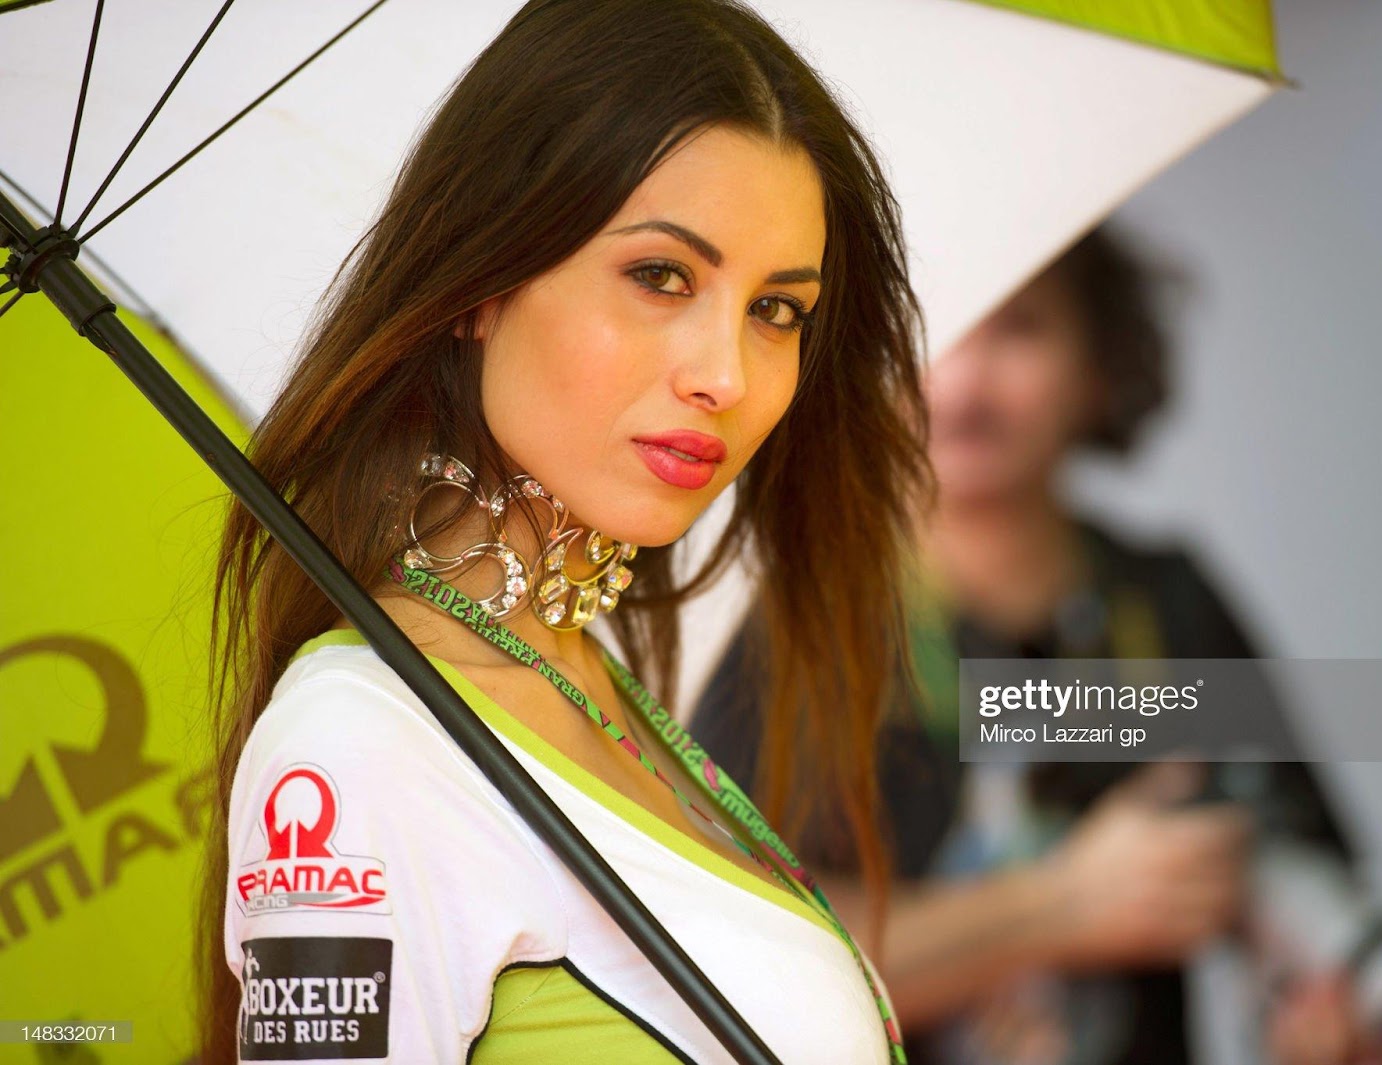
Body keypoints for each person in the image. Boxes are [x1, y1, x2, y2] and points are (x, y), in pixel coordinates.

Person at [196, 1, 933, 1062]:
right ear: (479, 283)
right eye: (660, 276)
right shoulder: (361, 748)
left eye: (777, 311)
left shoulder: (602, 687)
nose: (724, 376)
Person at [692, 225, 1376, 1065]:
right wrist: (1063, 906)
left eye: (1020, 327)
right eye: (934, 326)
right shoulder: (792, 615)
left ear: (1101, 365)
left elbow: (1306, 874)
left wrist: (1316, 1018)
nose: (969, 378)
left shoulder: (1165, 600)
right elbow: (739, 964)